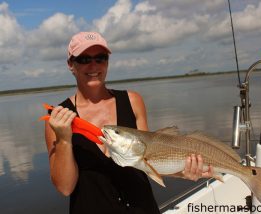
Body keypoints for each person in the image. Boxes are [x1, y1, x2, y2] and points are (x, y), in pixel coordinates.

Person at [45, 31, 213, 214]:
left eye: (100, 58)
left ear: (107, 62)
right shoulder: (58, 119)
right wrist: (64, 139)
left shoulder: (133, 101)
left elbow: (148, 161)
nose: (93, 65)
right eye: (84, 59)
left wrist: (184, 172)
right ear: (71, 64)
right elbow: (65, 188)